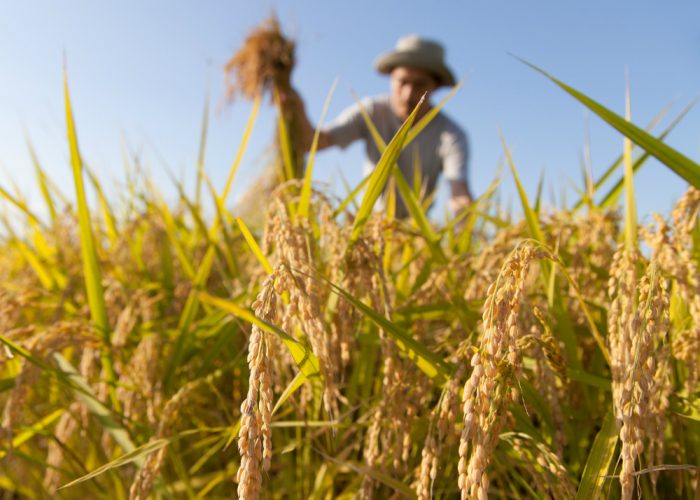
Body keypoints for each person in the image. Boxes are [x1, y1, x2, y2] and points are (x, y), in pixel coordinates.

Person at [284, 34, 472, 218]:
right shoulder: (371, 111)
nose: (408, 94)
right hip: (370, 221)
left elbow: (458, 190)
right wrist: (294, 105)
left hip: (414, 233)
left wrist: (464, 224)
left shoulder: (451, 135)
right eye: (402, 81)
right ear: (391, 77)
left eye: (419, 84)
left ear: (435, 86)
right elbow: (314, 142)